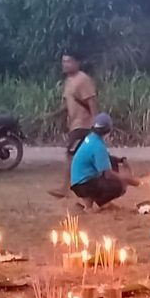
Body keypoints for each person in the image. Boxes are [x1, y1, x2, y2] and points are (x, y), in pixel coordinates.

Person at [49, 51, 99, 198]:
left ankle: (64, 188)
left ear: (77, 63)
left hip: (83, 125)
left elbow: (92, 102)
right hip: (75, 125)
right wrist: (53, 115)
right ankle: (96, 187)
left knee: (71, 156)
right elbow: (68, 104)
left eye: (69, 61)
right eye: (63, 61)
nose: (65, 64)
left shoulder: (83, 79)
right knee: (84, 158)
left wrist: (96, 125)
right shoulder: (69, 81)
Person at [70, 113, 139, 211]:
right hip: (83, 184)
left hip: (77, 181)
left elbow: (104, 158)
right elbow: (108, 174)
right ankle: (97, 203)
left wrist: (120, 160)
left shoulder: (91, 137)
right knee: (120, 186)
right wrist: (127, 180)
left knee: (113, 163)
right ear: (108, 130)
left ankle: (89, 203)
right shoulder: (98, 145)